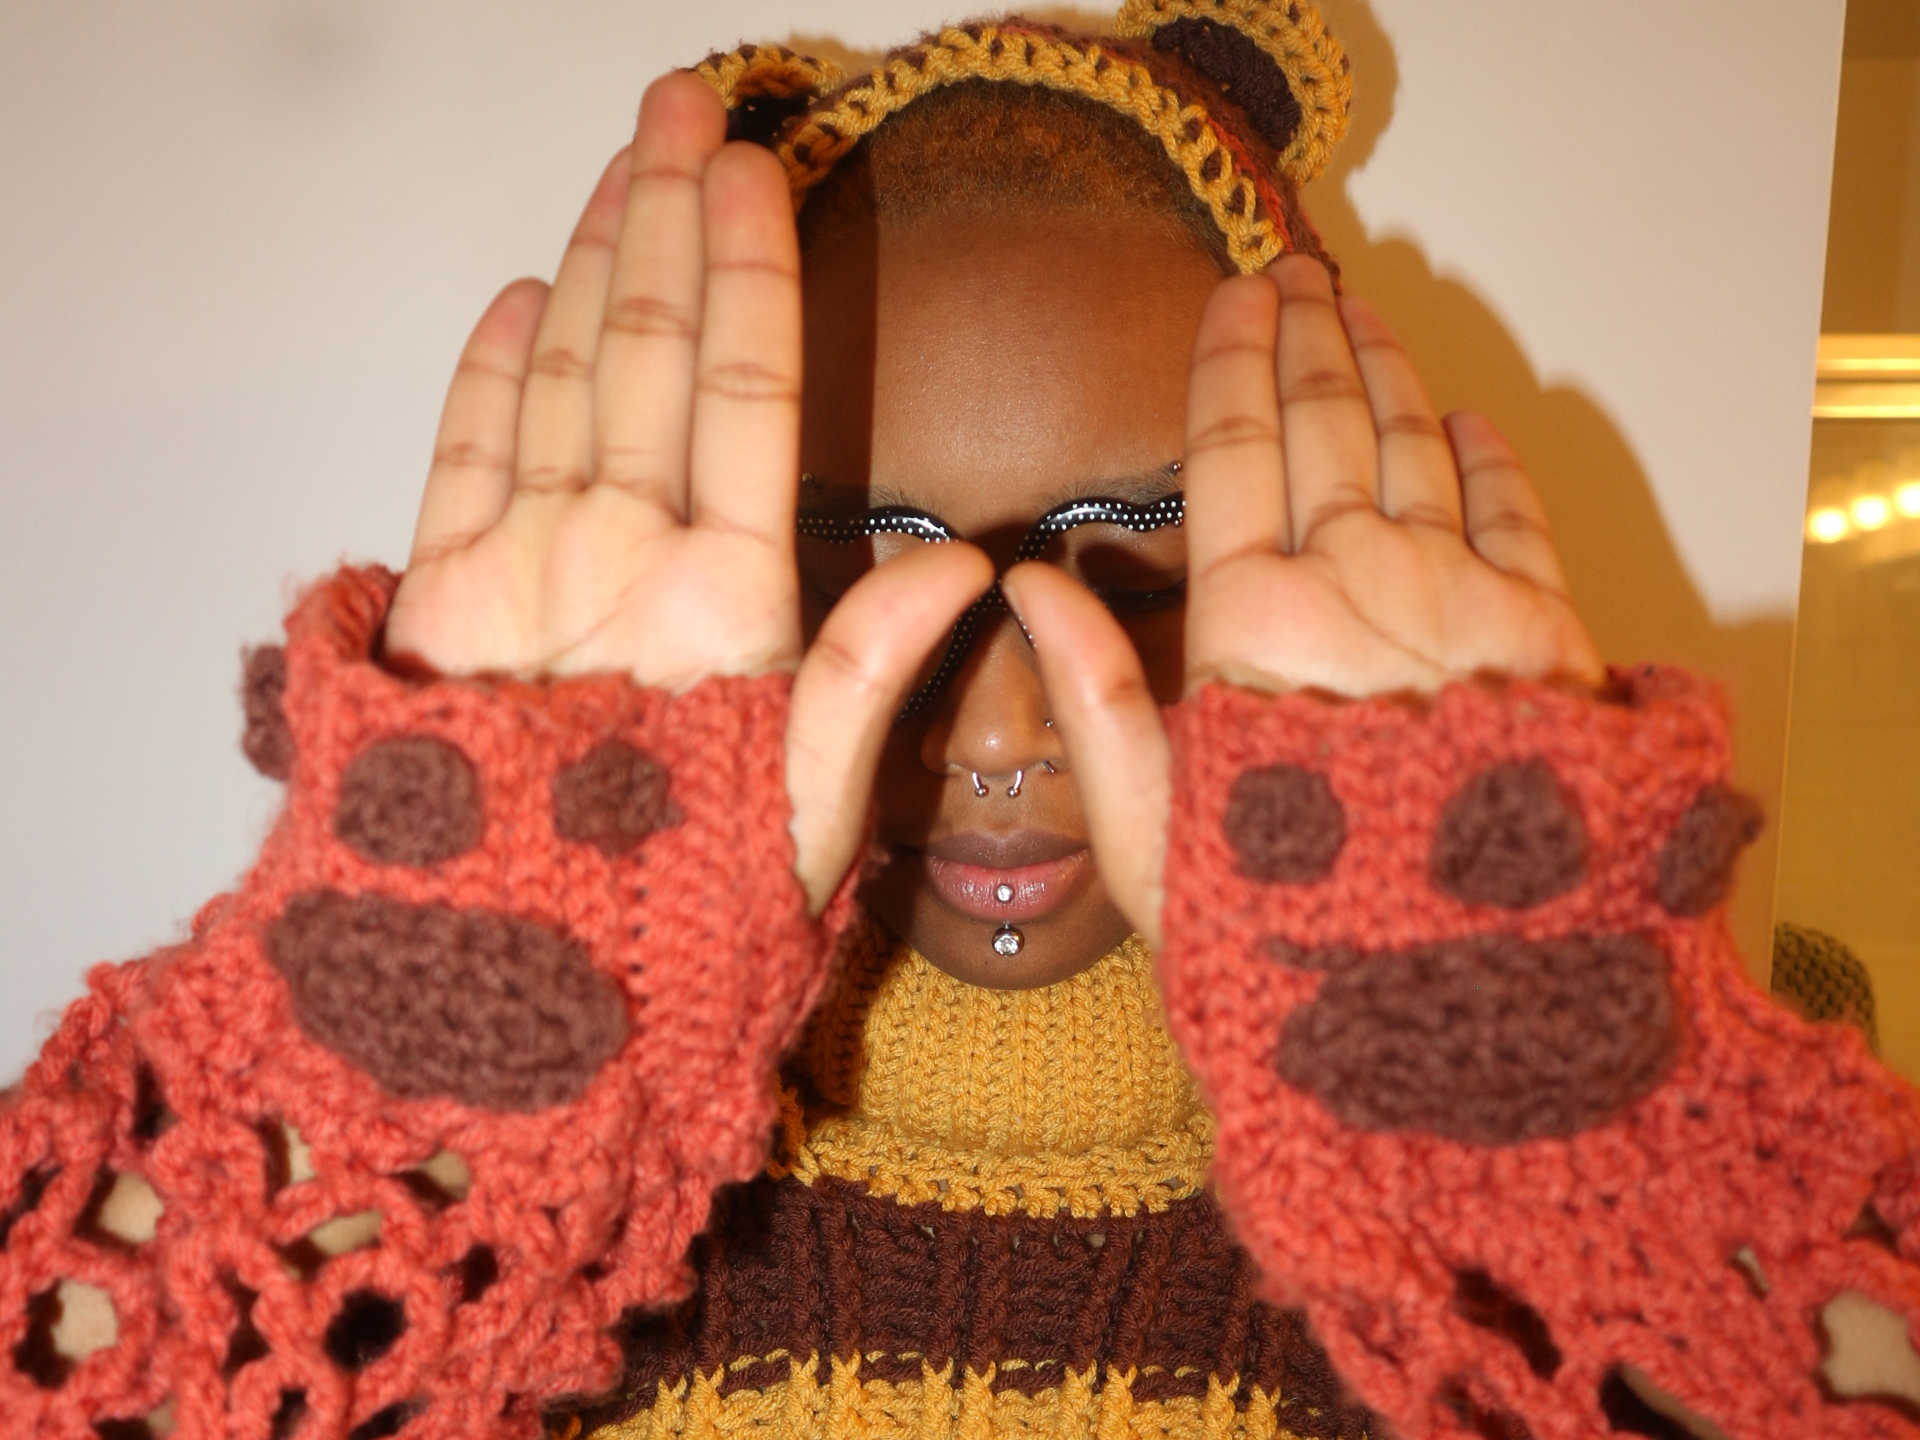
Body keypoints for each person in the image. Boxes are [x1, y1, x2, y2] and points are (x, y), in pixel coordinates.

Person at [2, 5, 1916, 1439]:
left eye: (1139, 561)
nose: (1003, 709)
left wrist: (1565, 1159)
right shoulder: (504, 1167)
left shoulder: (1586, 1119)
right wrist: (420, 1096)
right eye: (864, 571)